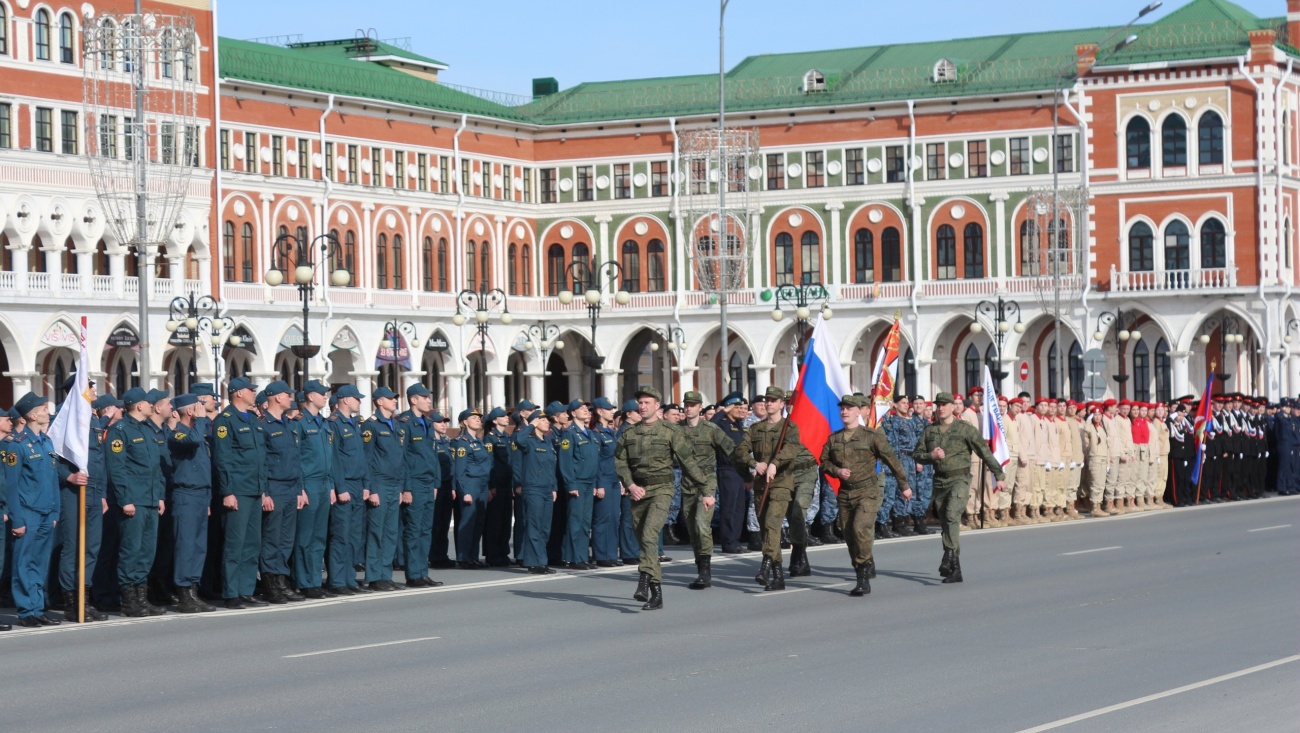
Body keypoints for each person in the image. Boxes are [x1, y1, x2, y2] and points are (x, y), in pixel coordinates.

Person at [615, 386, 706, 609]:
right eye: (640, 403)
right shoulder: (629, 433)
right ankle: (656, 593)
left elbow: (688, 461)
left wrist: (705, 488)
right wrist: (630, 484)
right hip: (638, 492)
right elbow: (620, 462)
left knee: (649, 535)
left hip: (662, 490)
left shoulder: (670, 431)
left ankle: (644, 579)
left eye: (647, 402)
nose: (642, 406)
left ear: (657, 406)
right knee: (644, 543)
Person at [820, 395, 912, 596]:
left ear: (858, 411)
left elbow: (891, 459)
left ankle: (862, 576)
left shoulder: (871, 436)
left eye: (849, 408)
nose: (845, 412)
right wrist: (837, 471)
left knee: (860, 527)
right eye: (842, 408)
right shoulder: (834, 438)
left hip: (868, 491)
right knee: (849, 534)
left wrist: (904, 485)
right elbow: (824, 461)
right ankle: (864, 561)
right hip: (846, 493)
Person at [912, 392, 1007, 584]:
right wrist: (931, 456)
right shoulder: (930, 431)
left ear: (953, 407)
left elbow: (984, 451)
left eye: (945, 404)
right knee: (947, 524)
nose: (941, 408)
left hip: (960, 479)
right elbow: (917, 454)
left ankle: (948, 555)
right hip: (940, 482)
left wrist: (999, 475)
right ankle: (955, 568)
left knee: (951, 514)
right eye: (938, 405)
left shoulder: (965, 429)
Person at [733, 386, 805, 591]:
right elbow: (740, 451)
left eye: (773, 400)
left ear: (782, 404)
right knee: (766, 529)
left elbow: (791, 449)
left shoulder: (789, 427)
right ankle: (778, 576)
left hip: (781, 483)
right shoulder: (756, 429)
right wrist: (754, 464)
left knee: (773, 524)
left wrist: (775, 462)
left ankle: (765, 565)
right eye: (767, 400)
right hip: (761, 485)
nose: (769, 403)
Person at [56, 390, 117, 622]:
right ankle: (71, 603)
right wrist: (67, 476)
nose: (93, 391)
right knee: (73, 548)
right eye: (89, 387)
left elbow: (98, 460)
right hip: (74, 490)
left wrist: (101, 494)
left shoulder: (91, 420)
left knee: (91, 548)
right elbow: (53, 456)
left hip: (93, 490)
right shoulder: (65, 418)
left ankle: (84, 599)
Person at [8, 392, 64, 626]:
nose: (46, 411)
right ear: (31, 415)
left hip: (45, 512)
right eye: (42, 408)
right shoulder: (16, 446)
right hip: (27, 512)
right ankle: (25, 610)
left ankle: (38, 607)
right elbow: (11, 486)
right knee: (23, 563)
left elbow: (52, 480)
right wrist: (17, 519)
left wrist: (55, 512)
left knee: (40, 563)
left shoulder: (47, 442)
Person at [215, 377, 270, 609]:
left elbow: (261, 459)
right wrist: (227, 491)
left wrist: (264, 490)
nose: (254, 393)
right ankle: (231, 592)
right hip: (238, 490)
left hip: (255, 489)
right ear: (238, 393)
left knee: (251, 543)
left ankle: (246, 589)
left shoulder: (254, 420)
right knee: (234, 544)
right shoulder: (225, 420)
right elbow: (223, 458)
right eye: (250, 389)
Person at [677, 390, 736, 589]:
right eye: (686, 404)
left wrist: (751, 467)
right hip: (687, 485)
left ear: (700, 408)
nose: (688, 408)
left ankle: (705, 572)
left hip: (707, 484)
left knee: (702, 525)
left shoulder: (711, 429)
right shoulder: (677, 430)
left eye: (692, 405)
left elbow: (732, 449)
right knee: (693, 530)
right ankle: (699, 566)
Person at [166, 393, 217, 613]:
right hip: (185, 495)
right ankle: (184, 592)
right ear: (190, 411)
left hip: (201, 495)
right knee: (186, 546)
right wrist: (202, 420)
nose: (204, 410)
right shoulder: (178, 433)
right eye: (200, 407)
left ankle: (194, 589)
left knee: (198, 546)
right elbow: (192, 441)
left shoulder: (198, 433)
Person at [259, 381, 305, 604]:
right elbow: (261, 462)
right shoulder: (263, 425)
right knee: (272, 537)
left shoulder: (288, 424)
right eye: (287, 394)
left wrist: (299, 489)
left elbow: (295, 461)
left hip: (289, 486)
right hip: (274, 486)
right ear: (277, 397)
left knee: (286, 539)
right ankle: (270, 583)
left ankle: (281, 580)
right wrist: (264, 492)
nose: (290, 398)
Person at [291, 380, 334, 597]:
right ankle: (304, 581)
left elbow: (330, 458)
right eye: (321, 393)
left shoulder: (324, 423)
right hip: (308, 484)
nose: (325, 397)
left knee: (319, 537)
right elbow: (296, 458)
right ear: (310, 396)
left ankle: (315, 580)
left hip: (324, 484)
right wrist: (300, 488)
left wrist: (332, 486)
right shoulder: (299, 422)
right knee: (305, 537)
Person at [398, 385, 443, 586]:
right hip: (414, 483)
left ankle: (423, 572)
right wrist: (406, 488)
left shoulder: (427, 422)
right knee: (413, 529)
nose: (428, 400)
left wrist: (436, 482)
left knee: (426, 529)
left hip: (427, 482)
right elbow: (403, 458)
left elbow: (433, 456)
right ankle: (413, 574)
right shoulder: (405, 423)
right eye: (424, 397)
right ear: (413, 400)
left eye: (428, 397)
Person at [362, 386, 406, 591]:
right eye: (390, 398)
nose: (394, 401)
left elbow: (400, 459)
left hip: (394, 483)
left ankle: (385, 574)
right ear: (379, 402)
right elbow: (367, 459)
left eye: (395, 398)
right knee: (376, 532)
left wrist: (401, 487)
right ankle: (373, 575)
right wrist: (371, 488)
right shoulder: (371, 426)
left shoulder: (396, 425)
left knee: (390, 533)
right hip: (379, 483)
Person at [326, 385, 368, 595]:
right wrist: (340, 487)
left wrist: (366, 485)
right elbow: (334, 460)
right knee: (340, 535)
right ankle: (338, 580)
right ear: (344, 400)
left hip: (358, 483)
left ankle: (349, 578)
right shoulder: (334, 424)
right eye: (356, 398)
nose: (359, 401)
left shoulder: (353, 424)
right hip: (345, 484)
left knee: (354, 536)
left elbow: (361, 457)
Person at [513, 409, 558, 575]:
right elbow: (518, 439)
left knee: (545, 528)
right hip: (533, 489)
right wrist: (530, 424)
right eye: (543, 420)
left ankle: (542, 561)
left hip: (547, 489)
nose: (547, 422)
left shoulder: (547, 442)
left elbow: (551, 468)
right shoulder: (528, 441)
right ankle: (533, 562)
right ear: (535, 423)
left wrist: (554, 487)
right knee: (534, 526)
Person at [452, 408, 493, 568]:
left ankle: (473, 556)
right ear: (464, 422)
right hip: (470, 484)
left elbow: (485, 466)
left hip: (482, 485)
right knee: (468, 522)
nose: (478, 420)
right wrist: (465, 491)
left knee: (478, 523)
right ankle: (463, 557)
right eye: (473, 417)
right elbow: (460, 470)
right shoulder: (462, 442)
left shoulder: (479, 441)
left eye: (479, 418)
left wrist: (488, 487)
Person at [711, 393, 750, 553]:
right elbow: (710, 426)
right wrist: (722, 411)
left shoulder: (739, 425)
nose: (741, 410)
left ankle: (735, 540)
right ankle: (728, 542)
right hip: (727, 469)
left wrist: (748, 476)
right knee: (729, 507)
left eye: (743, 408)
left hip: (740, 471)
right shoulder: (722, 423)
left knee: (739, 508)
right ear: (729, 407)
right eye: (737, 407)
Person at [589, 397, 622, 567]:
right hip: (603, 478)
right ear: (600, 412)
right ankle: (601, 555)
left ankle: (611, 554)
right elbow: (596, 461)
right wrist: (598, 483)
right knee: (602, 518)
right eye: (608, 409)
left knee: (614, 518)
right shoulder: (596, 433)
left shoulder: (610, 431)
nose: (611, 412)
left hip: (614, 478)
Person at [483, 406, 515, 567]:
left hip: (507, 484)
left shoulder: (507, 437)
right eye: (503, 416)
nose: (506, 418)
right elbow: (489, 463)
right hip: (497, 485)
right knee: (494, 522)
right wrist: (491, 485)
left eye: (507, 416)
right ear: (495, 420)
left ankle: (503, 553)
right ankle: (493, 554)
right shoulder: (490, 438)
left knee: (505, 521)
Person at [616, 399, 641, 564]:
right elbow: (618, 459)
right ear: (628, 414)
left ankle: (635, 550)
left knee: (636, 517)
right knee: (627, 517)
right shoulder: (623, 432)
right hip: (628, 480)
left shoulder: (636, 430)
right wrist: (623, 481)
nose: (641, 413)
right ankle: (628, 552)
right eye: (637, 411)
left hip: (638, 479)